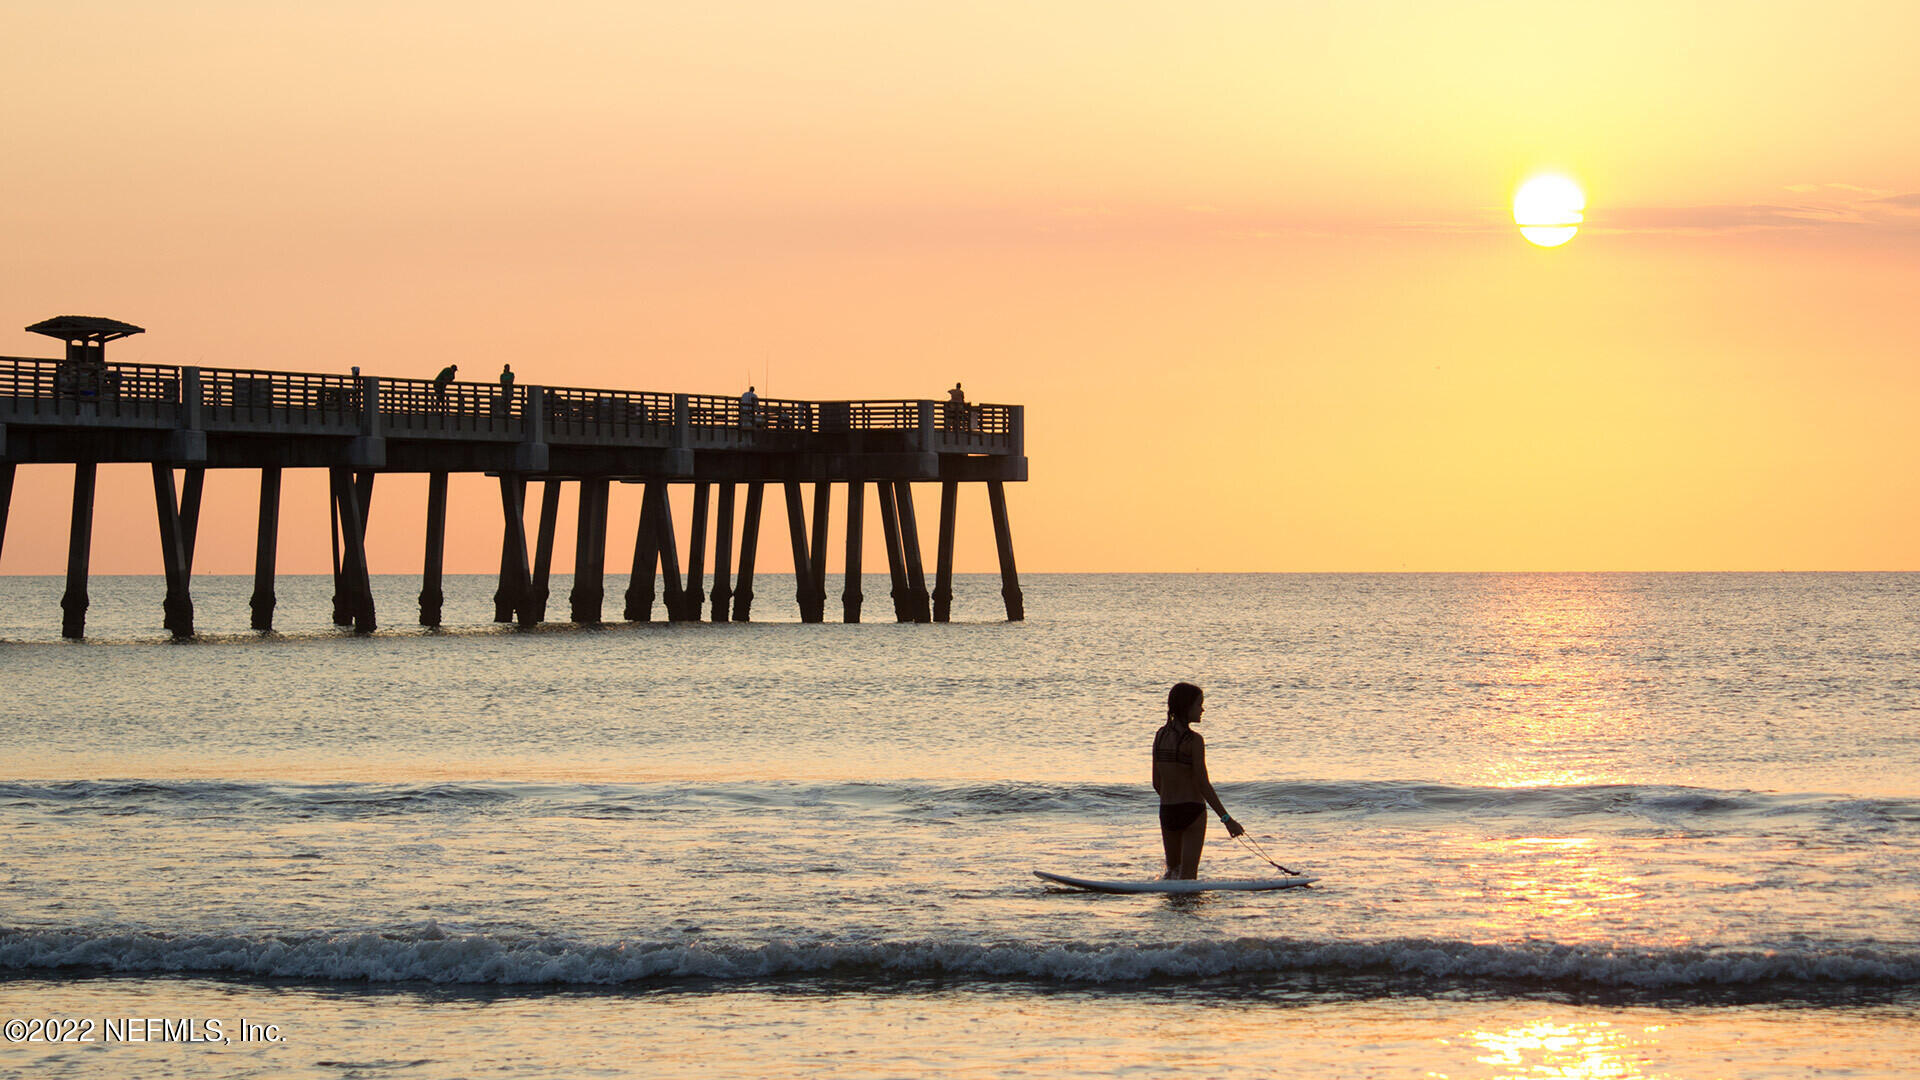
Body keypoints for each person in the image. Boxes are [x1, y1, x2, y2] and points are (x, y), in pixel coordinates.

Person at [1152, 682, 1243, 879]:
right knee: (1188, 877)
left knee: (1173, 872)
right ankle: (1187, 909)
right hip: (1192, 811)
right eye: (1198, 704)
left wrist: (1173, 797)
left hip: (1167, 811)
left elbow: (1156, 782)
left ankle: (1169, 908)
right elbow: (1203, 784)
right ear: (1186, 707)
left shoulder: (1160, 736)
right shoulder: (1194, 741)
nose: (1202, 709)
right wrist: (1227, 820)